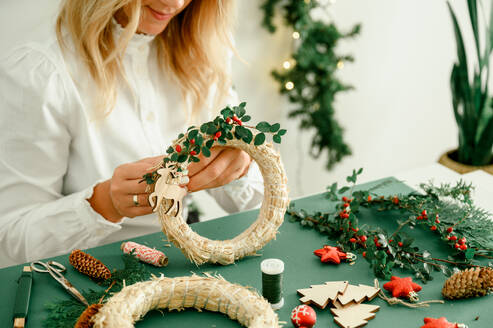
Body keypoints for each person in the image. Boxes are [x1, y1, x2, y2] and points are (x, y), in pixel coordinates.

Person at [0, 0, 264, 268]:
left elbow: (261, 202)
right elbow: (11, 238)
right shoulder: (41, 73)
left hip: (184, 265)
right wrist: (102, 205)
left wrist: (238, 168)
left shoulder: (204, 44)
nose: (174, 3)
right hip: (90, 282)